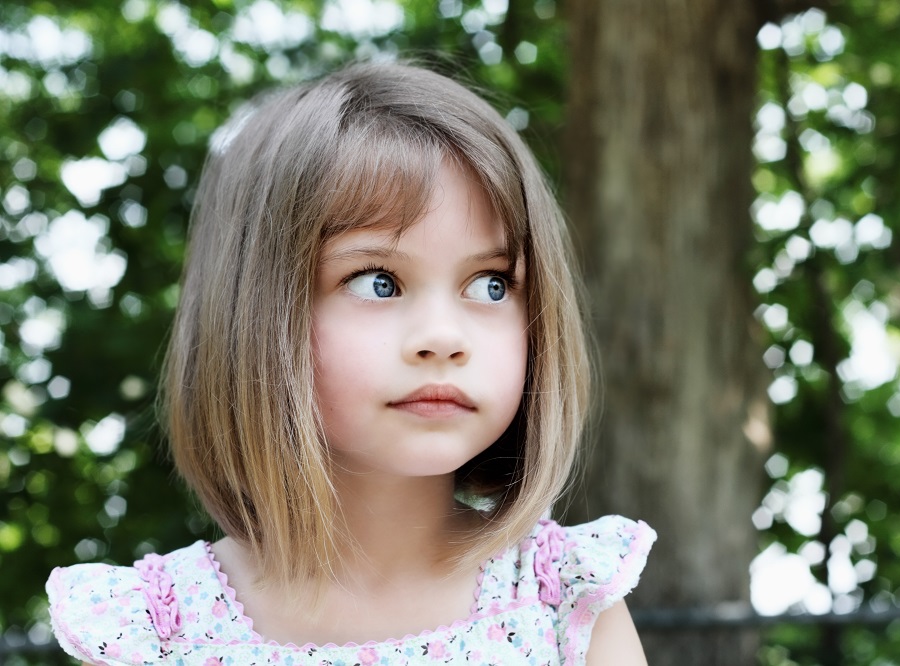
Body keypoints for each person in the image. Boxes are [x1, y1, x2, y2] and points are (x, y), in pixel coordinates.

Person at [46, 62, 656, 665]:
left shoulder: (568, 601)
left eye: (492, 285)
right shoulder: (152, 631)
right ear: (257, 314)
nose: (444, 338)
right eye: (379, 282)